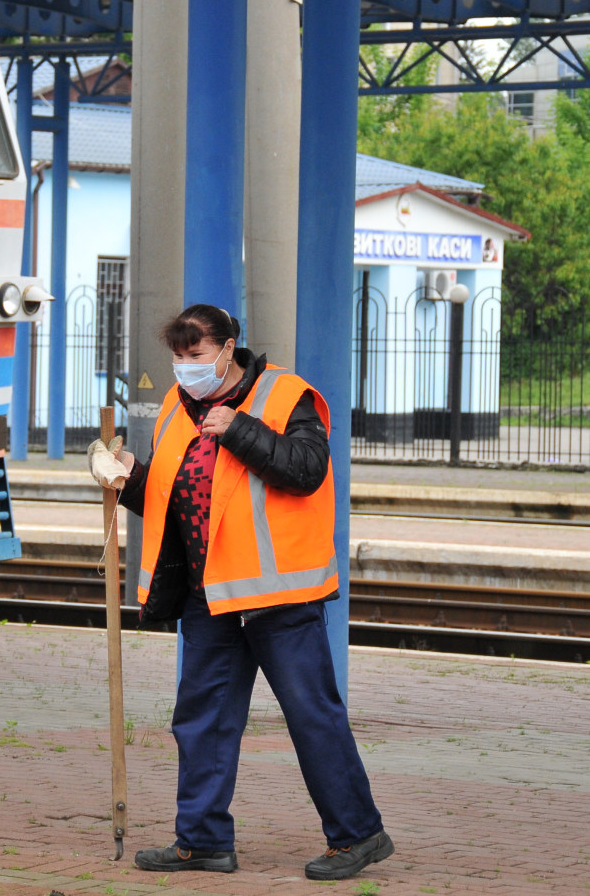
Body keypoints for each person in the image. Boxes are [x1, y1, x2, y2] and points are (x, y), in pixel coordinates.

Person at [86, 304, 393, 882]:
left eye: (196, 355)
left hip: (278, 597)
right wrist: (127, 476)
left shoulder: (285, 396)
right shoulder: (177, 412)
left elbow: (307, 469)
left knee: (311, 716)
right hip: (210, 596)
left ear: (229, 348)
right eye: (178, 357)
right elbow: (177, 500)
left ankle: (359, 834)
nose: (184, 368)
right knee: (201, 719)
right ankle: (202, 841)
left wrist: (239, 429)